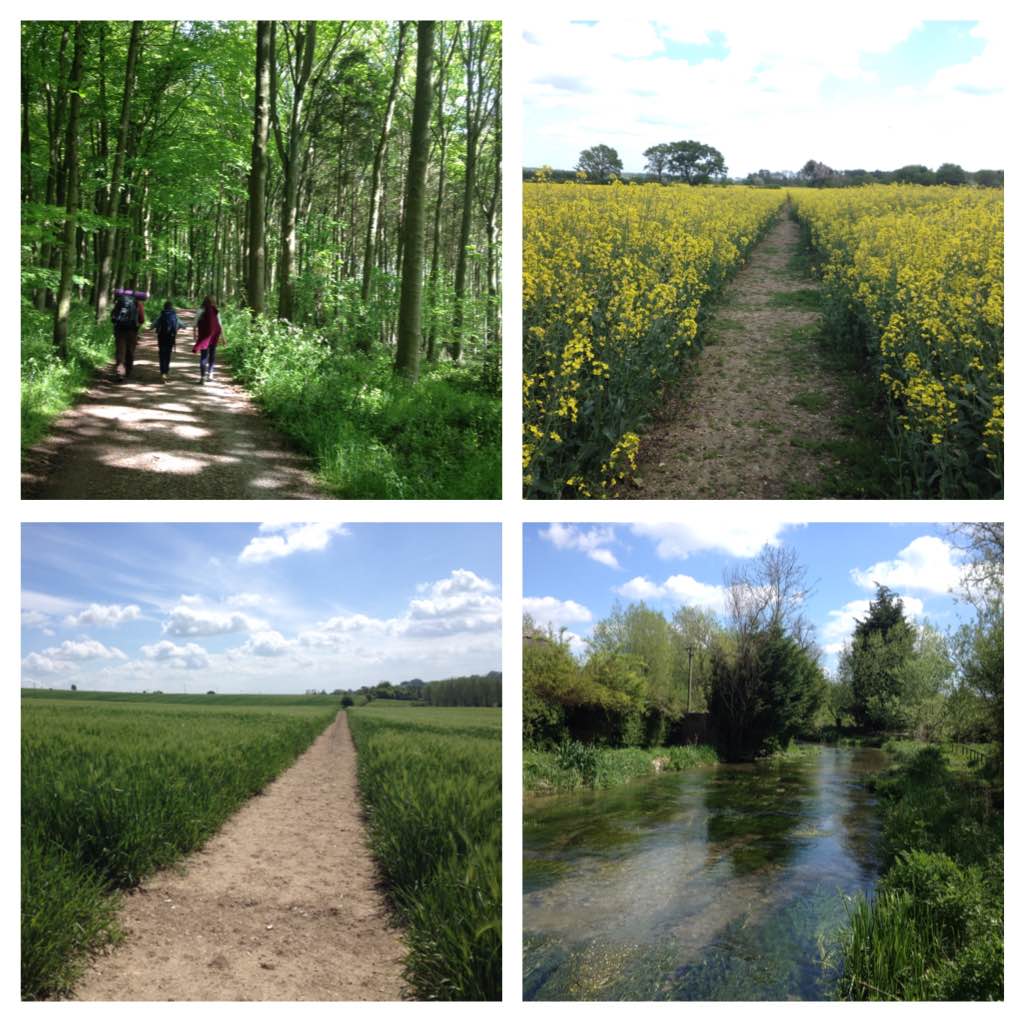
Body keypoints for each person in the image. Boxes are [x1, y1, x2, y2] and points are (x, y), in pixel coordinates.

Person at [110, 288, 146, 380]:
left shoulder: (119, 302)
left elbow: (113, 316)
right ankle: (128, 372)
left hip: (119, 330)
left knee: (120, 351)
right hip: (132, 331)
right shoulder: (138, 303)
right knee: (130, 351)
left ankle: (120, 373)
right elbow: (142, 319)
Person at [192, 295, 224, 384]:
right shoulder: (216, 310)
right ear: (213, 302)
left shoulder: (201, 310)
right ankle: (210, 374)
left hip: (204, 337)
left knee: (204, 356)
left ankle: (202, 377)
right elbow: (220, 325)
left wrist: (194, 334)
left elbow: (195, 323)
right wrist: (223, 337)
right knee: (212, 354)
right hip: (214, 336)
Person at [151, 301, 180, 382]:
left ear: (164, 307)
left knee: (161, 354)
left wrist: (153, 327)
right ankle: (166, 372)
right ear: (172, 307)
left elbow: (153, 325)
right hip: (171, 338)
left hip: (161, 337)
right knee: (168, 354)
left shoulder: (161, 315)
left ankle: (162, 372)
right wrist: (176, 329)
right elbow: (182, 325)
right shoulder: (174, 315)